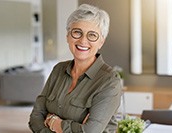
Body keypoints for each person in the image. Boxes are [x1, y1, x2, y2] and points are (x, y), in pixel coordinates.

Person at [29, 4, 122, 133]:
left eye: (92, 35)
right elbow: (35, 118)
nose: (83, 41)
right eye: (77, 32)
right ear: (68, 36)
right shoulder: (58, 70)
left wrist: (54, 122)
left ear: (101, 42)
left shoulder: (109, 81)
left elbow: (90, 131)